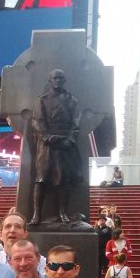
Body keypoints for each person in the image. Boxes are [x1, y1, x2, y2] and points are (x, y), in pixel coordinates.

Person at [30, 69, 83, 225]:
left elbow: (76, 123)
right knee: (41, 180)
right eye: (55, 78)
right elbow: (37, 121)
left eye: (61, 78)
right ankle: (36, 215)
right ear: (50, 80)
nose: (58, 81)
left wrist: (71, 139)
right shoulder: (42, 100)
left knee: (64, 180)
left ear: (64, 81)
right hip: (46, 145)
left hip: (65, 145)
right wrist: (46, 137)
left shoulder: (72, 100)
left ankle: (62, 213)